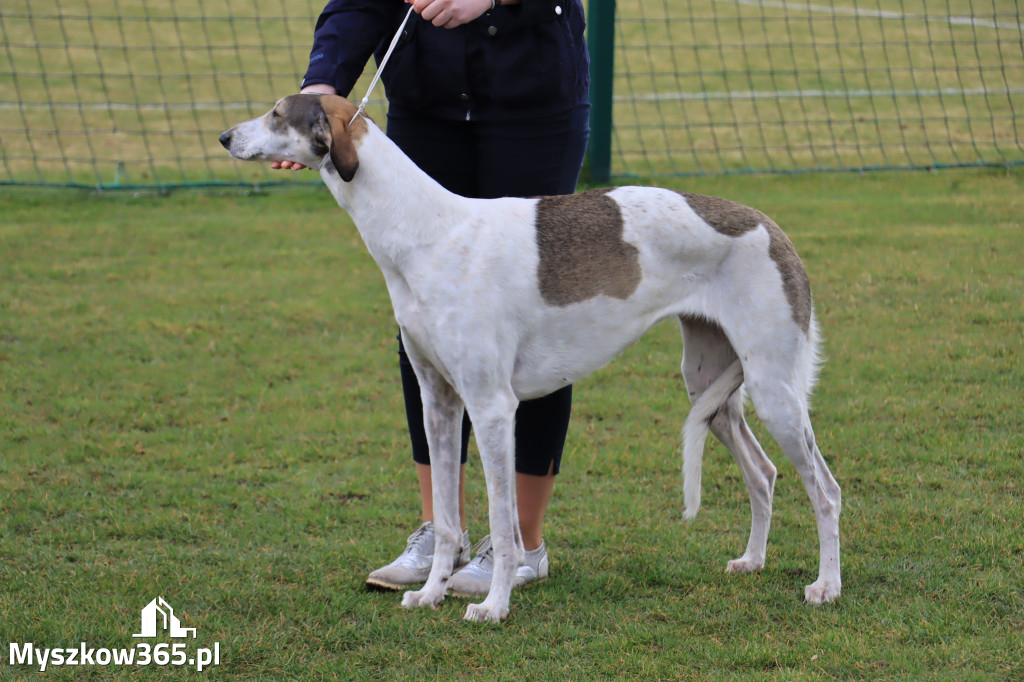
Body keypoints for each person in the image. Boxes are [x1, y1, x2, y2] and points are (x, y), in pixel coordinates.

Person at [275, 0, 590, 596]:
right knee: (421, 320)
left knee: (531, 320)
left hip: (533, 103)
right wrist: (322, 84)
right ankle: (441, 532)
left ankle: (520, 543)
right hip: (428, 105)